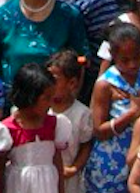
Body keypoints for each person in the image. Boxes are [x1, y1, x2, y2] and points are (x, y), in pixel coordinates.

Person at [84, 23, 140, 193]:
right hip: (111, 161)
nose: (132, 64)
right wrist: (132, 113)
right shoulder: (105, 85)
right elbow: (99, 131)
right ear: (113, 56)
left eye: (137, 57)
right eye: (125, 60)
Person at [0, 62, 71, 193]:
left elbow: (57, 161)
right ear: (29, 97)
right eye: (46, 98)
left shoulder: (54, 124)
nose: (50, 103)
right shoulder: (7, 130)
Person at [47, 50, 93, 193]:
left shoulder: (82, 114)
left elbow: (86, 145)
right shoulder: (40, 110)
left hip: (69, 180)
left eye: (54, 80)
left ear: (72, 83)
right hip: (44, 175)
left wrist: (74, 168)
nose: (49, 84)